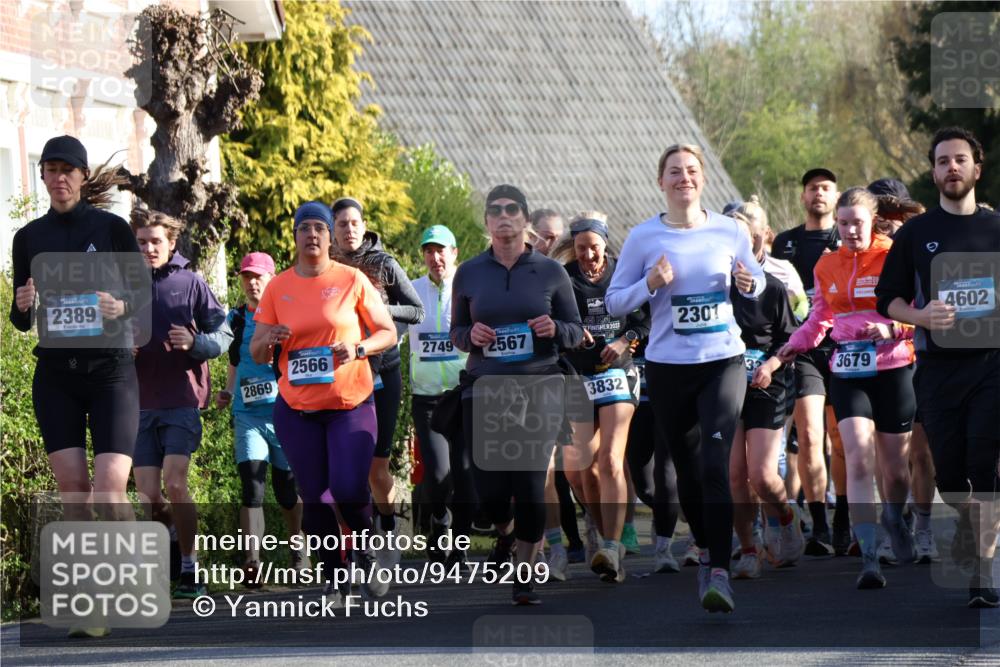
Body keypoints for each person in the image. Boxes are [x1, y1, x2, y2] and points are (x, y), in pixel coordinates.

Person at [607, 144, 765, 613]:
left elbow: (756, 280)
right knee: (689, 474)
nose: (684, 178)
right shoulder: (642, 237)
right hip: (669, 368)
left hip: (723, 361)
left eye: (692, 171)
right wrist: (649, 284)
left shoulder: (729, 230)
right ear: (661, 182)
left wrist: (747, 283)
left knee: (715, 464)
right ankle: (704, 545)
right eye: (674, 172)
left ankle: (718, 571)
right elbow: (616, 302)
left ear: (702, 179)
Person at [9, 135, 148, 638]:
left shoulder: (110, 228)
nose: (60, 177)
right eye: (51, 169)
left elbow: (141, 292)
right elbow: (21, 319)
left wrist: (121, 307)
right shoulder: (27, 237)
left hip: (111, 371)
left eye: (69, 169)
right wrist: (23, 303)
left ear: (83, 177)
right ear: (42, 176)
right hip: (56, 376)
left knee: (110, 491)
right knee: (73, 492)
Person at [876, 127, 1000, 608]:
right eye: (943, 160)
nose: (952, 167)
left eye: (960, 159)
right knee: (950, 478)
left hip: (991, 365)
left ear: (976, 169)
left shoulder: (995, 228)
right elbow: (888, 299)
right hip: (938, 368)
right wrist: (921, 315)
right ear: (933, 172)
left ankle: (983, 574)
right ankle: (969, 519)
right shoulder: (915, 234)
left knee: (983, 468)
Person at [250, 201, 398, 604]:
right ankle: (334, 575)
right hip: (297, 410)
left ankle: (367, 552)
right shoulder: (279, 286)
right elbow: (258, 352)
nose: (311, 235)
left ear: (330, 236)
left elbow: (388, 332)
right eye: (304, 228)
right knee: (314, 496)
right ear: (295, 236)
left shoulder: (352, 279)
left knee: (349, 488)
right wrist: (270, 340)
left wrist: (360, 348)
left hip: (350, 404)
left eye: (319, 228)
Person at [451, 184, 584, 605]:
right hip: (485, 386)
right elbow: (455, 332)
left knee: (529, 484)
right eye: (496, 210)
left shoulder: (550, 271)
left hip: (539, 382)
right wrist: (469, 334)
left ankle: (524, 573)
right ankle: (505, 535)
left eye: (513, 209)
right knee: (487, 490)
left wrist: (555, 330)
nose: (504, 215)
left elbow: (577, 331)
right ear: (487, 222)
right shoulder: (469, 273)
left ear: (525, 220)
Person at [779, 187, 917, 589]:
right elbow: (820, 317)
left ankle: (895, 514)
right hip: (848, 368)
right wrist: (796, 342)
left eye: (857, 222)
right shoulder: (827, 265)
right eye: (843, 223)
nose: (850, 230)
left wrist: (891, 327)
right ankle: (869, 555)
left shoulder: (894, 254)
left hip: (893, 365)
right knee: (856, 456)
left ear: (872, 220)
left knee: (894, 469)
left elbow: (919, 310)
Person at [130, 208, 233, 600]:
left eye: (156, 241)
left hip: (180, 401)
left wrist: (195, 344)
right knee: (148, 495)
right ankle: (173, 532)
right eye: (141, 242)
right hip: (137, 404)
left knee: (175, 481)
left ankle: (190, 566)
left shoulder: (190, 283)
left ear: (171, 243)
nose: (149, 248)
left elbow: (222, 334)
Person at [331, 197, 424, 568]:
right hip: (341, 375)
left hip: (382, 371)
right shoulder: (325, 267)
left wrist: (379, 311)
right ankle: (356, 543)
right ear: (333, 230)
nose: (350, 229)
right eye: (342, 224)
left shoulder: (384, 264)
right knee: (344, 466)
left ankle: (387, 527)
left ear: (364, 225)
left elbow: (416, 309)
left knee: (376, 466)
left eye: (355, 223)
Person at [561, 213, 649, 583]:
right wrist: (572, 333)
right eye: (581, 249)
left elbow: (644, 320)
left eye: (594, 248)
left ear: (605, 245)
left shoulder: (623, 273)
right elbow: (555, 323)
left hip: (618, 373)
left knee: (612, 460)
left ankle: (612, 546)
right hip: (580, 375)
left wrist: (623, 341)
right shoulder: (564, 278)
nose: (588, 256)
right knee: (582, 472)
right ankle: (601, 533)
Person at [216, 252, 305, 583]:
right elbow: (234, 361)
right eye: (246, 277)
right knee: (251, 487)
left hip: (284, 413)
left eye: (258, 276)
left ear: (271, 279)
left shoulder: (286, 316)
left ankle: (298, 551)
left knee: (286, 490)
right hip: (248, 416)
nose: (252, 282)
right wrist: (227, 391)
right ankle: (252, 562)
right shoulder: (236, 318)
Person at [727, 210, 803, 579]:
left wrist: (771, 365)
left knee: (761, 474)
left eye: (747, 237)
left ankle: (786, 518)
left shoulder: (771, 286)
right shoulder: (713, 285)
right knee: (734, 475)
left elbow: (790, 339)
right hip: (725, 387)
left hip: (766, 383)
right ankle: (748, 548)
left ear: (759, 239)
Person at [772, 168, 843, 556]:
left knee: (841, 439)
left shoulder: (846, 238)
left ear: (836, 196)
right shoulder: (785, 243)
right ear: (803, 196)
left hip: (847, 348)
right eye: (813, 187)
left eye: (826, 188)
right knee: (811, 436)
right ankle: (819, 526)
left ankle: (845, 518)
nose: (819, 193)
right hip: (804, 351)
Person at [866, 179, 937, 565]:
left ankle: (924, 527)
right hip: (883, 366)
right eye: (883, 219)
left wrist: (898, 327)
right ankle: (894, 523)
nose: (890, 226)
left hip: (922, 359)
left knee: (922, 453)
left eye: (898, 217)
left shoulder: (924, 250)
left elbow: (934, 311)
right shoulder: (864, 258)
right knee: (888, 459)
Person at [407, 225, 473, 567]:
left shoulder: (469, 289)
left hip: (464, 396)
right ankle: (440, 525)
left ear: (454, 253)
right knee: (436, 474)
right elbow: (390, 333)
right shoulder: (412, 291)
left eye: (441, 250)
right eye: (429, 251)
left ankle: (459, 543)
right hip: (428, 397)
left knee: (463, 474)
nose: (435, 258)